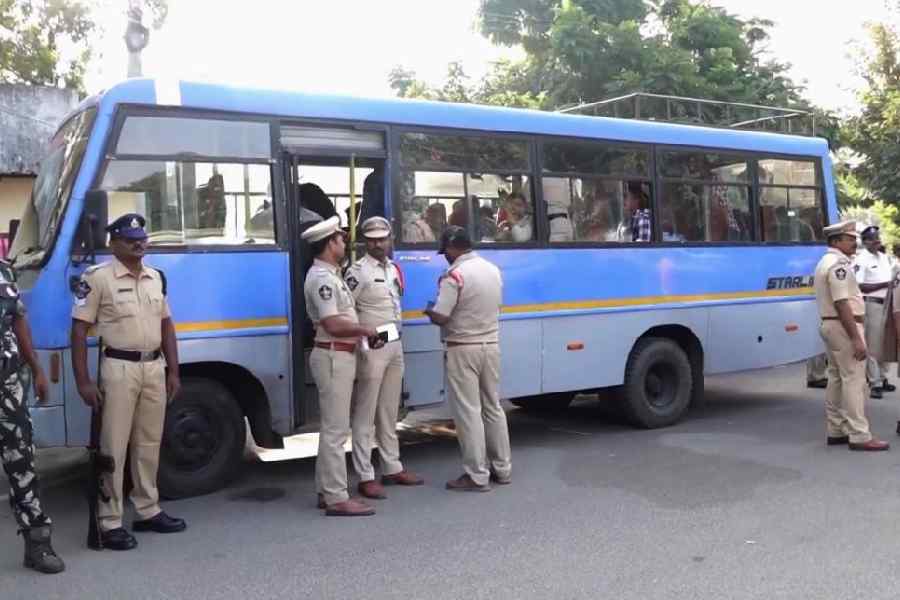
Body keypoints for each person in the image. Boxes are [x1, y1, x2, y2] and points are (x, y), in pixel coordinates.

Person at [71, 213, 186, 551]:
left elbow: (167, 325)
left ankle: (148, 509)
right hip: (118, 369)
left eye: (142, 237)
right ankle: (109, 522)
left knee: (149, 444)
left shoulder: (155, 278)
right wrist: (83, 382)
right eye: (130, 238)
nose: (139, 243)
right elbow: (79, 330)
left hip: (153, 367)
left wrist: (174, 371)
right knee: (113, 447)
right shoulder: (97, 279)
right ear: (114, 243)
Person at [302, 216, 381, 516]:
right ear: (328, 245)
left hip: (340, 354)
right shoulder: (323, 279)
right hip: (334, 355)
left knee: (332, 429)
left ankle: (326, 490)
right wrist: (366, 331)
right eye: (339, 239)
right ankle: (337, 498)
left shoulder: (332, 275)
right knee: (336, 431)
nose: (344, 243)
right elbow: (333, 324)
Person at [425, 226, 512, 490]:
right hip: (491, 345)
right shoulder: (492, 270)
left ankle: (476, 474)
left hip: (463, 348)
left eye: (446, 252)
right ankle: (503, 468)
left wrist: (429, 311)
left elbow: (442, 314)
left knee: (468, 412)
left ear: (452, 249)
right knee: (493, 408)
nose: (445, 257)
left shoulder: (454, 275)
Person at [344, 217, 424, 501]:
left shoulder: (393, 269)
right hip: (372, 346)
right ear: (365, 242)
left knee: (389, 412)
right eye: (372, 239)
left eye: (382, 238)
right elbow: (345, 310)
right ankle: (365, 475)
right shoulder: (357, 272)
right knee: (365, 413)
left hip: (393, 343)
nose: (378, 243)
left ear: (390, 239)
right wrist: (361, 342)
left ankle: (392, 467)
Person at [0, 261, 64, 573]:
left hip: (8, 387)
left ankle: (38, 545)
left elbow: (19, 321)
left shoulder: (2, 271)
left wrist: (37, 369)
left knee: (22, 464)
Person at [814, 220, 889, 451]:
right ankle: (859, 434)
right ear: (836, 241)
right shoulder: (839, 265)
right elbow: (842, 303)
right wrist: (856, 338)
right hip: (844, 326)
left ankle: (836, 429)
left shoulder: (825, 262)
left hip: (831, 325)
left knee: (836, 378)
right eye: (849, 239)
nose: (854, 243)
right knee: (854, 380)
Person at [853, 225, 896, 398]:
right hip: (872, 304)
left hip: (889, 303)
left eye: (878, 237)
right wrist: (886, 285)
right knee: (872, 344)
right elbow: (859, 285)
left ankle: (884, 378)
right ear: (865, 242)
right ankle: (874, 382)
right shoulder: (861, 260)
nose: (877, 241)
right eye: (873, 239)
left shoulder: (885, 258)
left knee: (886, 342)